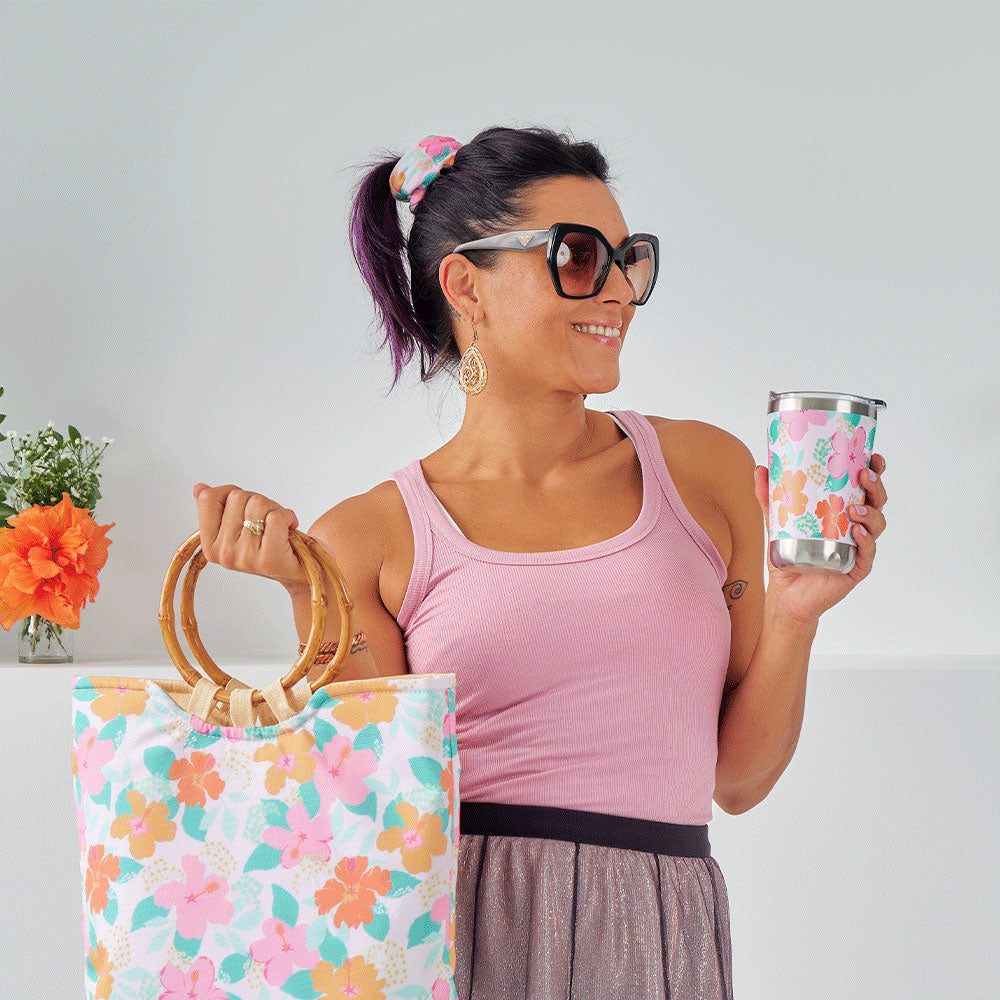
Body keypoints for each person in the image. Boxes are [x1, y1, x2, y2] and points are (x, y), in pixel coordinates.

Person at [324, 125, 734, 999]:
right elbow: (375, 812)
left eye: (628, 258)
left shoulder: (707, 473)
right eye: (579, 257)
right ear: (467, 284)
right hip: (460, 942)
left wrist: (807, 607)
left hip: (663, 934)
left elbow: (738, 777)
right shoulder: (363, 540)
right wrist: (308, 594)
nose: (619, 289)